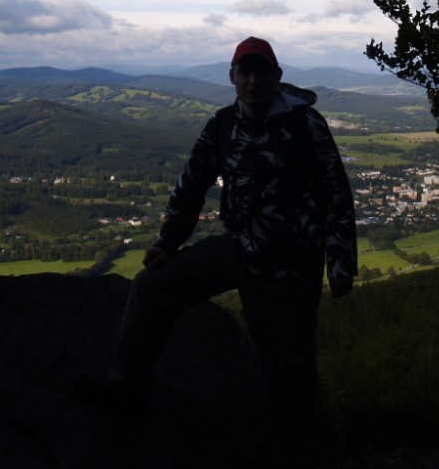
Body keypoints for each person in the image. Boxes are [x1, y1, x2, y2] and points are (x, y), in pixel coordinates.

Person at [104, 36, 357, 466]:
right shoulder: (222, 125)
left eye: (262, 71)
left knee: (289, 373)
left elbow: (337, 192)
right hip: (237, 250)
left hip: (290, 269)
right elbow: (192, 184)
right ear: (233, 77)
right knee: (150, 286)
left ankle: (293, 454)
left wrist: (340, 261)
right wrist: (168, 242)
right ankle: (125, 391)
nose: (253, 80)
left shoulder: (305, 123)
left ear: (277, 76)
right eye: (245, 71)